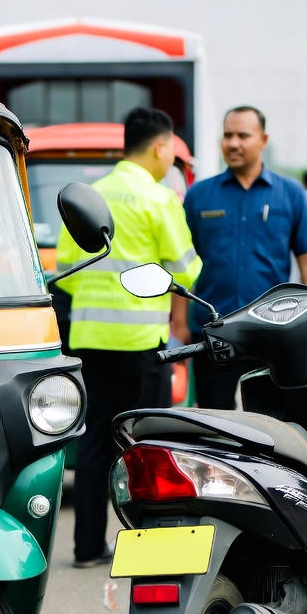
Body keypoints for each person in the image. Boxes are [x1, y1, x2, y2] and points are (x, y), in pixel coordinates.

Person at [55, 106, 201, 568]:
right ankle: (147, 545)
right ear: (160, 147)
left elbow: (65, 272)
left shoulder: (89, 196)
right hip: (142, 344)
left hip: (92, 339)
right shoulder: (160, 200)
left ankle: (86, 549)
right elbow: (186, 269)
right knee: (144, 443)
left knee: (96, 440)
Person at [184, 106, 307, 408]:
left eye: (243, 135)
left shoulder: (290, 194)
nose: (233, 143)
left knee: (271, 421)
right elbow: (181, 262)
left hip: (273, 331)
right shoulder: (199, 195)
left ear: (263, 139)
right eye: (227, 135)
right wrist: (180, 322)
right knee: (213, 422)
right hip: (214, 329)